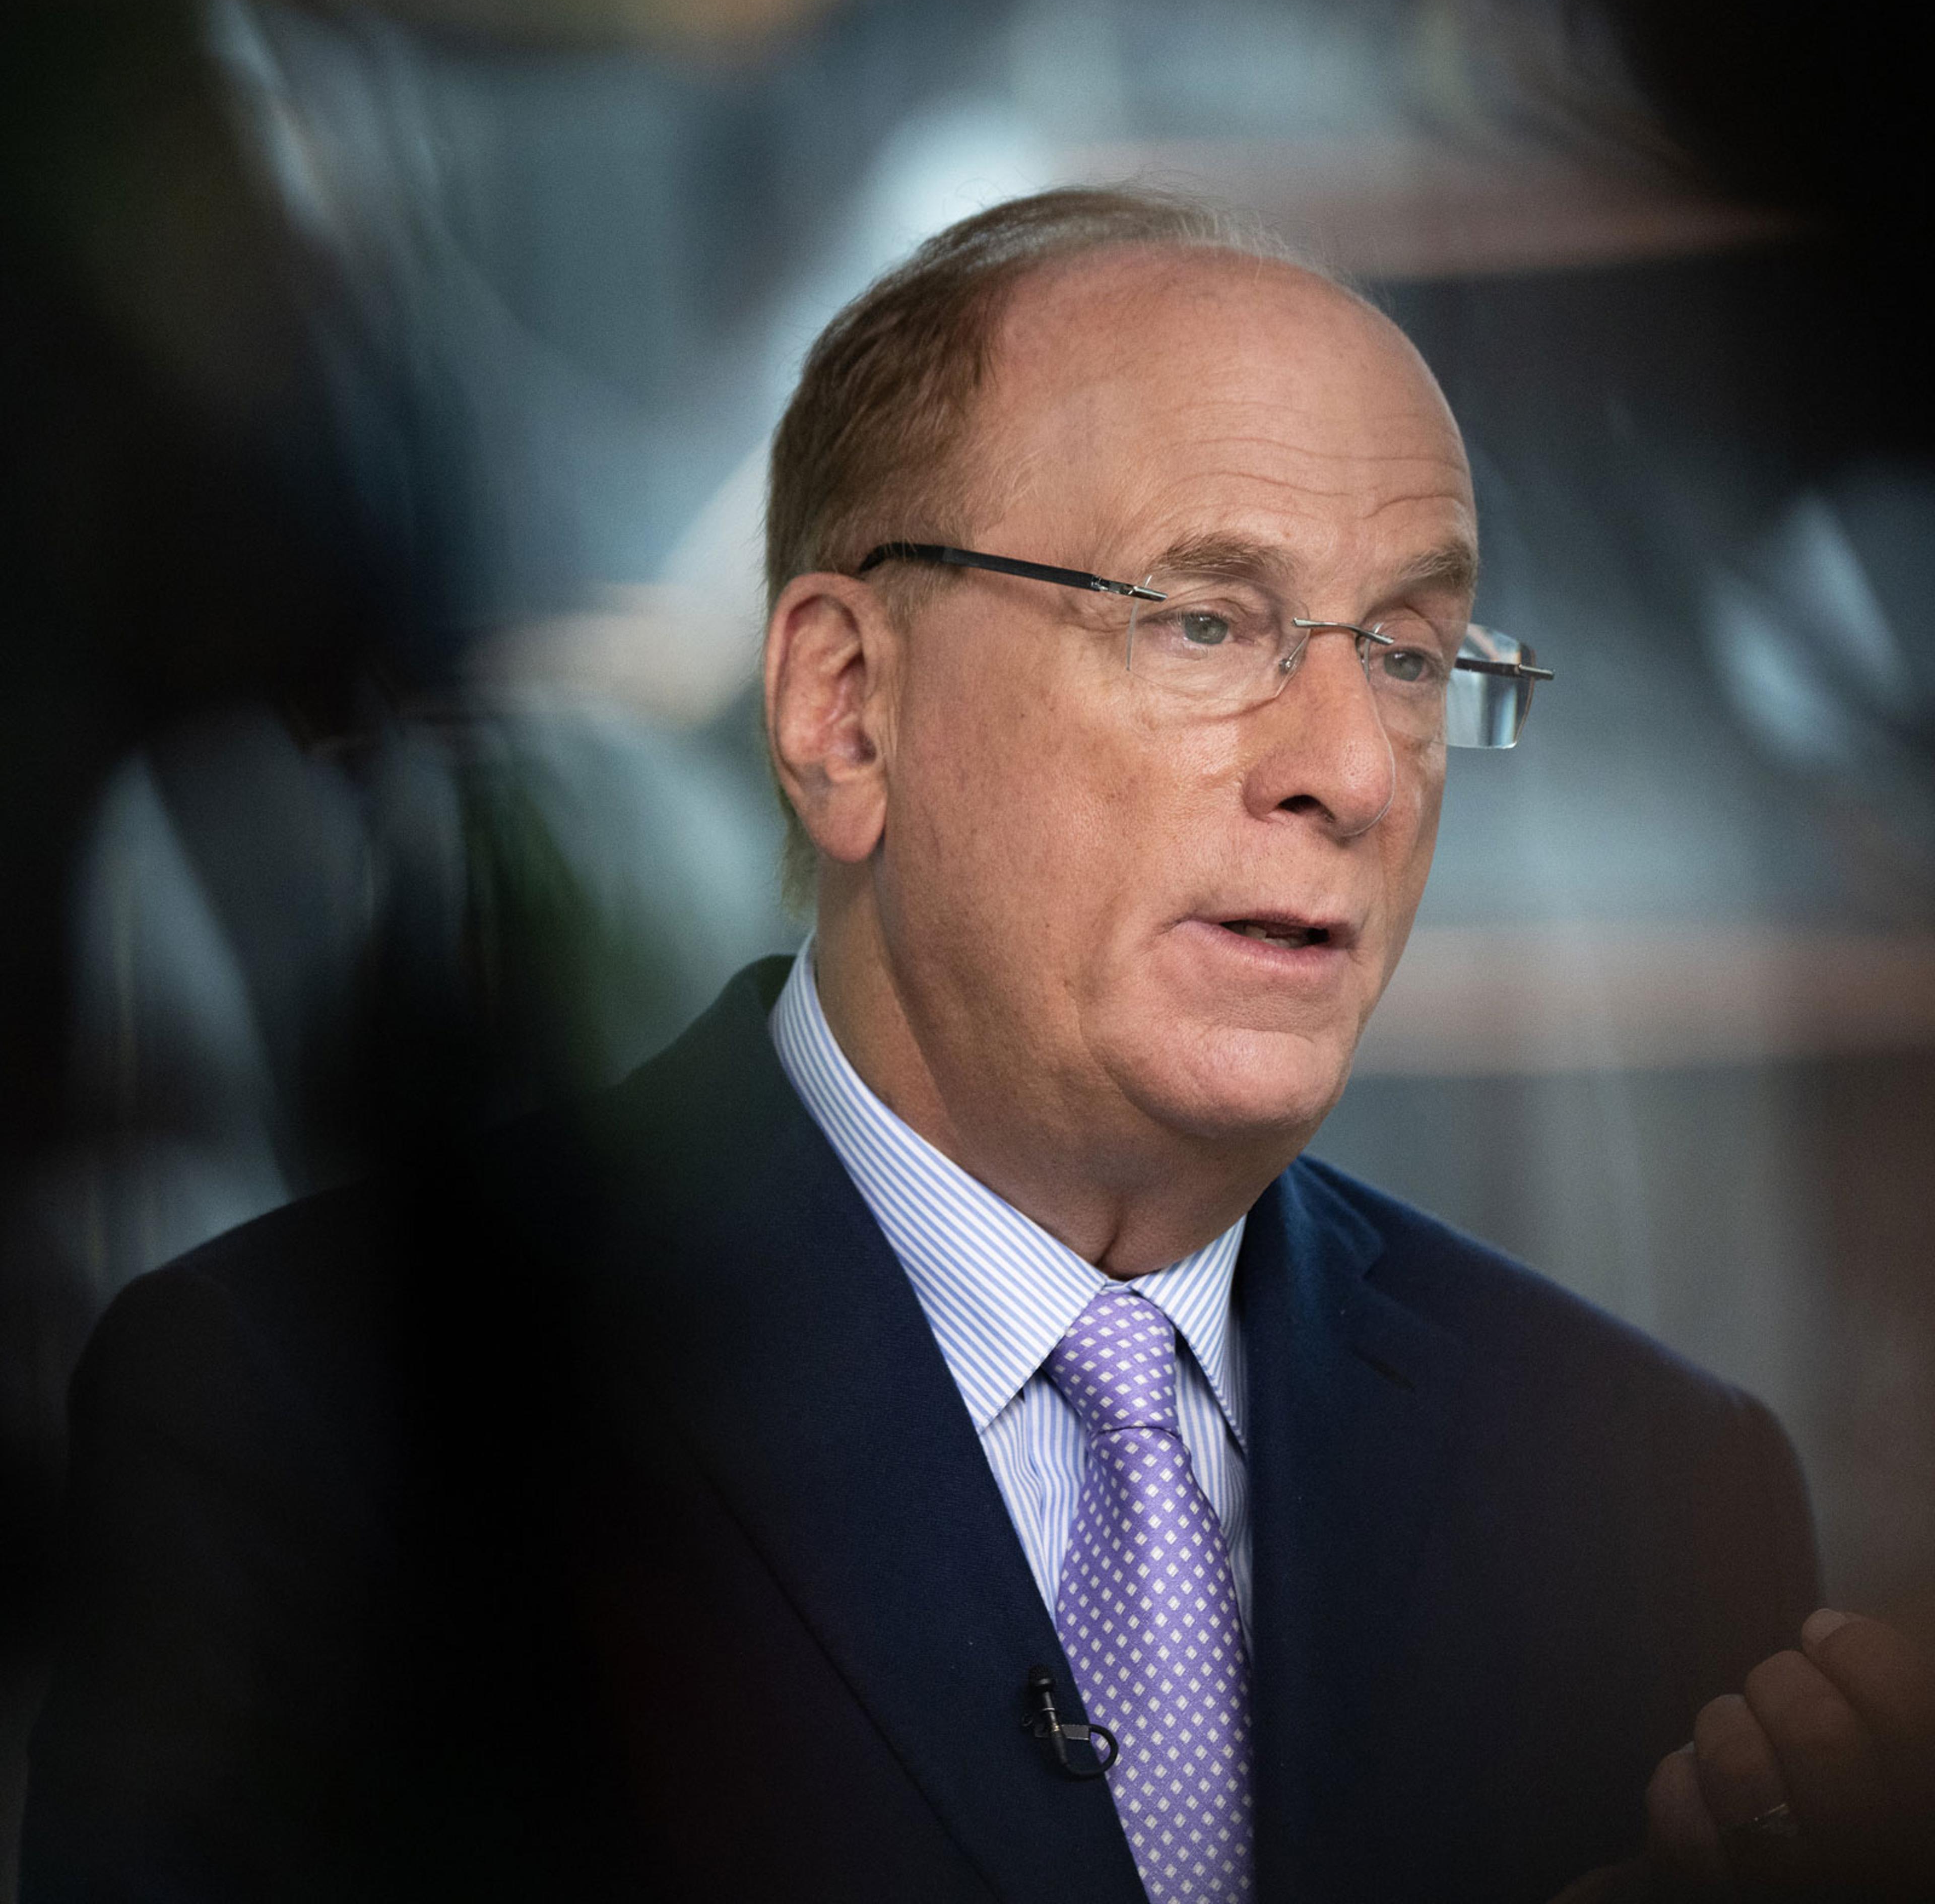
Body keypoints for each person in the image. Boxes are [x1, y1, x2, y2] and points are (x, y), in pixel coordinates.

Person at [20, 188, 1932, 1904]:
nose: (1354, 771)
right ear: (846, 709)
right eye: (1204, 623)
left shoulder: (1658, 1485)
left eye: (1416, 658)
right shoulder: (307, 1423)